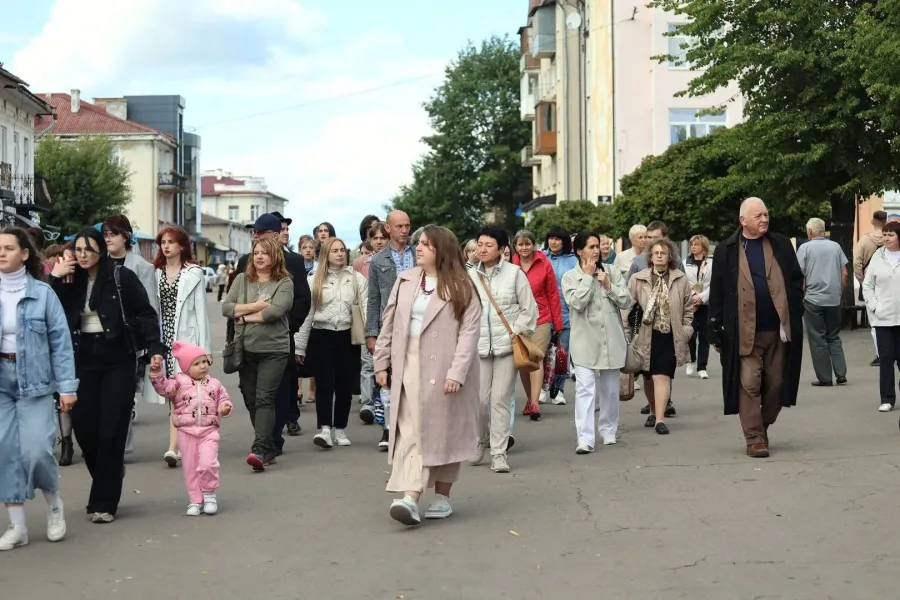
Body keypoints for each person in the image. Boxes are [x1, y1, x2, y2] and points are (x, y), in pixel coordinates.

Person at [50, 228, 163, 522]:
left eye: (89, 249)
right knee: (84, 427)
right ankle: (111, 472)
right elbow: (46, 308)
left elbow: (146, 314)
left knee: (111, 429)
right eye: (78, 249)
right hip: (82, 359)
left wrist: (155, 350)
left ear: (101, 250)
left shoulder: (120, 276)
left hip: (117, 359)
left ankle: (104, 503)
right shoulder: (68, 279)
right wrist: (54, 277)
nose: (83, 254)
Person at [374, 225, 481, 526]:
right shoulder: (406, 281)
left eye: (425, 244)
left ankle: (442, 497)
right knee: (413, 431)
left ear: (441, 250)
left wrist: (457, 372)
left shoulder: (462, 286)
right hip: (409, 366)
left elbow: (469, 334)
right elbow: (390, 324)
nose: (417, 248)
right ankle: (410, 497)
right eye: (417, 243)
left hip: (445, 370)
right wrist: (381, 363)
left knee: (442, 433)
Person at [709, 197, 804, 458]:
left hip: (778, 330)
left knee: (775, 385)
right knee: (749, 384)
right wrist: (714, 326)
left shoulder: (781, 244)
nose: (764, 219)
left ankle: (761, 426)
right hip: (744, 332)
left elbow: (796, 280)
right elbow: (717, 291)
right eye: (758, 216)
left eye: (766, 214)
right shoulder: (727, 250)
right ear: (743, 221)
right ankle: (754, 439)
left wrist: (796, 309)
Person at [0, 228, 76, 550]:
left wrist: (68, 387)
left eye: (8, 248)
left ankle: (54, 506)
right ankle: (17, 527)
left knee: (36, 451)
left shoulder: (43, 294)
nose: (1, 253)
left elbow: (61, 343)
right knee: (4, 451)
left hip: (35, 381)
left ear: (25, 254)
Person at [233, 214, 311, 456]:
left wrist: (287, 326)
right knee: (250, 394)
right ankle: (263, 437)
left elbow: (302, 301)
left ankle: (271, 442)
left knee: (275, 392)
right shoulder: (245, 261)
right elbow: (234, 302)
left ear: (276, 235)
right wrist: (235, 333)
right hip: (247, 338)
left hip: (279, 340)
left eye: (260, 232)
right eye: (253, 233)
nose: (255, 237)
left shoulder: (294, 262)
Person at [468, 227, 538, 474]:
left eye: (488, 245)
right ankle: (479, 440)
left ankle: (498, 452)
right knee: (478, 401)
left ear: (501, 249)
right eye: (480, 244)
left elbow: (530, 310)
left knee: (499, 400)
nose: (482, 249)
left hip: (508, 348)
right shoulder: (469, 276)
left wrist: (515, 333)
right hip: (479, 347)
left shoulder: (514, 274)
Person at [223, 237, 295, 471]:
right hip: (245, 348)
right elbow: (226, 307)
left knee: (265, 398)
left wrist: (242, 316)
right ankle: (268, 444)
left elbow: (275, 312)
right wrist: (257, 305)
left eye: (265, 253)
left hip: (274, 349)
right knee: (250, 397)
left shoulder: (284, 282)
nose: (260, 257)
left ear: (275, 256)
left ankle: (261, 449)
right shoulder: (242, 279)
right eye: (256, 253)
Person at [562, 232, 633, 453]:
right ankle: (585, 438)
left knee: (611, 390)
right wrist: (587, 278)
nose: (596, 250)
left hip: (611, 340)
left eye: (597, 246)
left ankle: (608, 429)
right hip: (584, 342)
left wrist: (609, 285)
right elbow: (577, 303)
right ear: (579, 251)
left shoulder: (611, 271)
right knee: (585, 391)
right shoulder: (570, 277)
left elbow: (627, 300)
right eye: (591, 247)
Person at [295, 237, 367, 449]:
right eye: (335, 250)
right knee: (325, 384)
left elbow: (366, 308)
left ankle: (341, 428)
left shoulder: (356, 278)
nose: (339, 254)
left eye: (342, 250)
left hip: (347, 335)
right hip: (321, 335)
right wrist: (300, 345)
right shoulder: (314, 279)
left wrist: (371, 340)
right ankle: (325, 429)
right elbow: (307, 314)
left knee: (344, 385)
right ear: (326, 254)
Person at [151, 341, 232, 516]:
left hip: (209, 431)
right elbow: (164, 389)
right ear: (186, 367)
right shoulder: (177, 383)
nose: (202, 366)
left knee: (208, 463)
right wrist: (157, 374)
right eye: (197, 363)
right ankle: (195, 500)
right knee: (190, 468)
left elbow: (224, 399)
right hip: (186, 432)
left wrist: (225, 407)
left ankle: (209, 495)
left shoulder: (215, 384)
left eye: (204, 361)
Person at [102, 215, 161, 457]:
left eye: (113, 234)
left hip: (129, 340)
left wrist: (150, 345)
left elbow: (149, 307)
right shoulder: (98, 265)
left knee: (123, 393)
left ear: (125, 237)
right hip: (99, 338)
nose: (108, 239)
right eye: (105, 234)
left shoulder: (141, 267)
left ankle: (120, 444)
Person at [155, 226, 211, 469]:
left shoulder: (194, 273)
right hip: (163, 338)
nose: (166, 246)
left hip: (186, 339)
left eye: (171, 242)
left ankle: (180, 444)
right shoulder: (155, 272)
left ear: (182, 246)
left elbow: (201, 312)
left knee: (187, 394)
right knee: (173, 393)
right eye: (163, 242)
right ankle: (175, 446)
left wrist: (204, 349)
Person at [627, 237, 693, 435]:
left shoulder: (680, 279)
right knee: (648, 376)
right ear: (650, 256)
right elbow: (626, 308)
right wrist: (625, 334)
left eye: (663, 253)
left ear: (670, 256)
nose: (659, 256)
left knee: (661, 375)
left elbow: (688, 309)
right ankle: (654, 411)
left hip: (669, 335)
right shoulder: (638, 279)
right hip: (645, 335)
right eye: (655, 253)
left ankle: (660, 420)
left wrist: (686, 330)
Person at [365, 210, 413, 449]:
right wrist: (371, 333)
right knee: (387, 378)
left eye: (407, 226)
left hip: (416, 325)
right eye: (399, 226)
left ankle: (410, 427)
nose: (404, 230)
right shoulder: (378, 260)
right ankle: (387, 429)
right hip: (389, 326)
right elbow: (373, 298)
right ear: (388, 229)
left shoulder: (419, 254)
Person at [628, 221, 678, 418]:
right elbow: (628, 297)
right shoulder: (638, 263)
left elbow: (684, 293)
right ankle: (653, 406)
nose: (651, 242)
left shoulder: (676, 263)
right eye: (648, 238)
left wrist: (686, 329)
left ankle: (661, 412)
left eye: (655, 238)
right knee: (648, 372)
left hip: (668, 327)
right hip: (644, 328)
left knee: (663, 371)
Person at [512, 230, 563, 416]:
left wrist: (558, 324)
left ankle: (534, 403)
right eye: (520, 244)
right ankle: (529, 398)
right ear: (515, 247)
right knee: (523, 361)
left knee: (536, 357)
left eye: (528, 244)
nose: (524, 248)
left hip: (541, 317)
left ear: (534, 245)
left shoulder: (544, 264)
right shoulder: (510, 265)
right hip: (518, 319)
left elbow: (553, 295)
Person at [796, 218, 848, 387]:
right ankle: (841, 373)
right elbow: (844, 272)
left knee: (817, 338)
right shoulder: (836, 247)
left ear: (810, 231)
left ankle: (825, 378)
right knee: (833, 336)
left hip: (813, 299)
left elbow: (800, 275)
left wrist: (802, 295)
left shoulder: (805, 248)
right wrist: (839, 292)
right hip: (833, 299)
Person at [862, 220, 900, 412]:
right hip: (883, 319)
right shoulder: (877, 257)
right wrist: (875, 306)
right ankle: (887, 398)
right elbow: (867, 285)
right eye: (884, 235)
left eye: (891, 235)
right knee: (885, 359)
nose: (886, 238)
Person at [543, 226, 578, 403]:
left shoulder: (573, 261)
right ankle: (543, 388)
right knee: (542, 352)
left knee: (562, 354)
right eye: (551, 238)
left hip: (566, 312)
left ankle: (558, 390)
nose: (554, 242)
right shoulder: (541, 257)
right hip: (543, 313)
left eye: (558, 239)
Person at [854, 210, 886, 366]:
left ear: (873, 221)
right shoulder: (892, 239)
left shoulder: (864, 241)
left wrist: (862, 280)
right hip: (889, 284)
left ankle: (881, 354)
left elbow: (856, 262)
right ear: (885, 222)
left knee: (875, 322)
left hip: (871, 285)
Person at [683, 234, 713, 380]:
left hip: (705, 303)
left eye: (696, 244)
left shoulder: (711, 263)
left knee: (705, 335)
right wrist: (693, 295)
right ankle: (691, 360)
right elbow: (683, 282)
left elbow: (714, 283)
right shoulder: (685, 263)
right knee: (691, 333)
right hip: (690, 302)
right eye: (691, 244)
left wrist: (702, 297)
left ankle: (702, 367)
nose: (693, 247)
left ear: (703, 247)